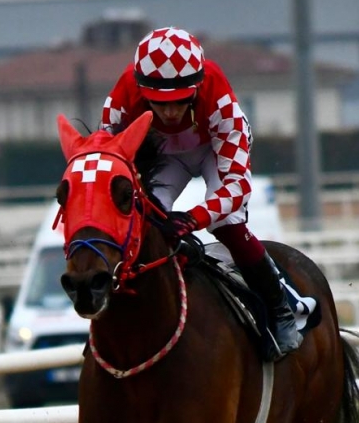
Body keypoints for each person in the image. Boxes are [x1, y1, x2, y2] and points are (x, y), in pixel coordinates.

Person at [100, 26, 302, 361]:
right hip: (164, 155)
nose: (170, 113)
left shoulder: (219, 98)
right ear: (141, 90)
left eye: (180, 103)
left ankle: (280, 310)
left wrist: (196, 218)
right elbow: (108, 169)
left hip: (213, 148)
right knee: (146, 222)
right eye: (160, 104)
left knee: (227, 226)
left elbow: (236, 187)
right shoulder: (119, 105)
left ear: (196, 88)